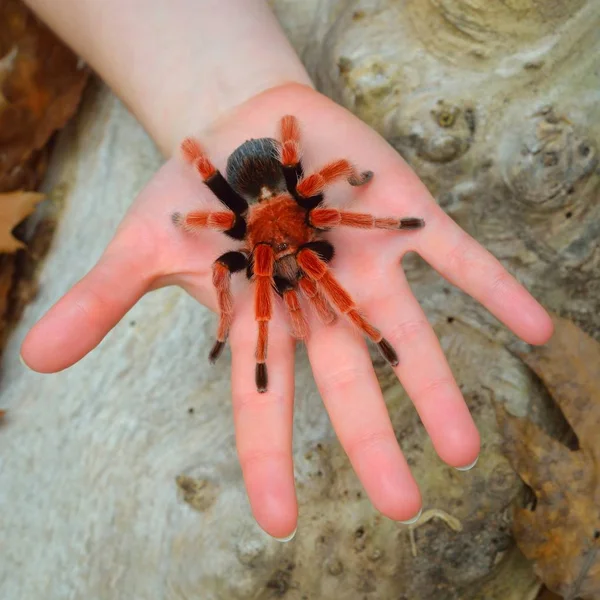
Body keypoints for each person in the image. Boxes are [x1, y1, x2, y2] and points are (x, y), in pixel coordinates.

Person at [20, 0, 553, 542]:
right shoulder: (243, 236)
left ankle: (363, 325)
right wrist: (227, 310)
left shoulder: (311, 208)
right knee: (260, 266)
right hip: (257, 198)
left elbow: (334, 192)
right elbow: (212, 199)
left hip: (278, 190)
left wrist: (374, 202)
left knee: (322, 222)